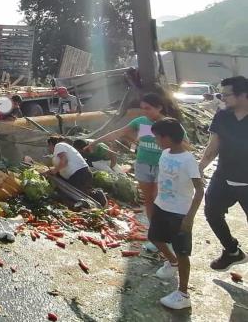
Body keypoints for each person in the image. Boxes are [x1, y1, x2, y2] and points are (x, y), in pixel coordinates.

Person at [87, 92, 178, 252]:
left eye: (148, 108)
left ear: (159, 107)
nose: (145, 112)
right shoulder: (141, 122)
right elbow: (118, 132)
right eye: (143, 109)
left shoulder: (170, 124)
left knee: (160, 200)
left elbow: (183, 144)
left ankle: (168, 236)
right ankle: (156, 237)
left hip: (163, 166)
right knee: (149, 202)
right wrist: (95, 141)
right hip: (143, 165)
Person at [148, 118, 204, 310]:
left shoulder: (188, 160)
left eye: (157, 137)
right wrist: (156, 195)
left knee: (182, 252)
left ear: (169, 137)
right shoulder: (165, 153)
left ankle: (183, 294)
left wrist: (189, 217)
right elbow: (161, 175)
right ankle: (171, 263)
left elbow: (200, 190)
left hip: (180, 213)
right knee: (154, 237)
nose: (156, 141)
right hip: (162, 206)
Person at [199, 75, 248, 270]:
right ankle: (232, 251)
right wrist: (199, 168)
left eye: (226, 95)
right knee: (212, 212)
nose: (222, 98)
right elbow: (213, 147)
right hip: (223, 177)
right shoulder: (222, 116)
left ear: (243, 95)